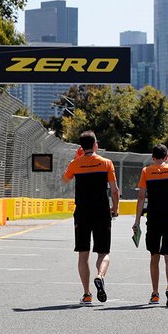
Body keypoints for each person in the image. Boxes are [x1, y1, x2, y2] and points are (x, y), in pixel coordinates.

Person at [62, 130, 119, 306]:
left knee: (83, 254)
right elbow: (115, 190)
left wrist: (77, 159)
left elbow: (64, 180)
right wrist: (114, 209)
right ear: (95, 145)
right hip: (102, 211)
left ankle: (87, 294)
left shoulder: (75, 164)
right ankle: (100, 276)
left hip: (82, 213)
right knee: (104, 252)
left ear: (81, 146)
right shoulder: (106, 163)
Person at [133, 144, 168, 307]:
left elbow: (141, 197)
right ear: (167, 156)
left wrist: (137, 221)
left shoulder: (146, 172)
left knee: (154, 256)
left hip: (154, 218)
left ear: (153, 157)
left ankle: (155, 294)